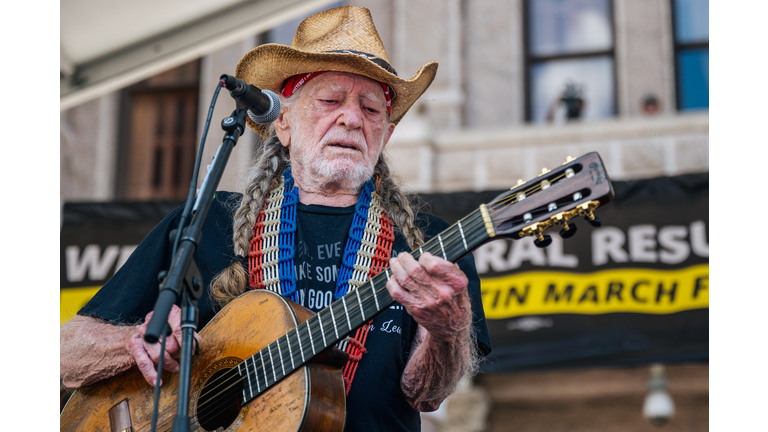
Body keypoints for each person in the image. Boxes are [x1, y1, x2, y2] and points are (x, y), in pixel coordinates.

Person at [60, 6, 491, 431]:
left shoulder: (433, 247)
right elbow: (65, 354)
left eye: (372, 109)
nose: (352, 118)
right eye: (330, 100)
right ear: (282, 121)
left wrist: (447, 331)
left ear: (387, 134)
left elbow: (426, 394)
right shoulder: (204, 222)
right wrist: (130, 345)